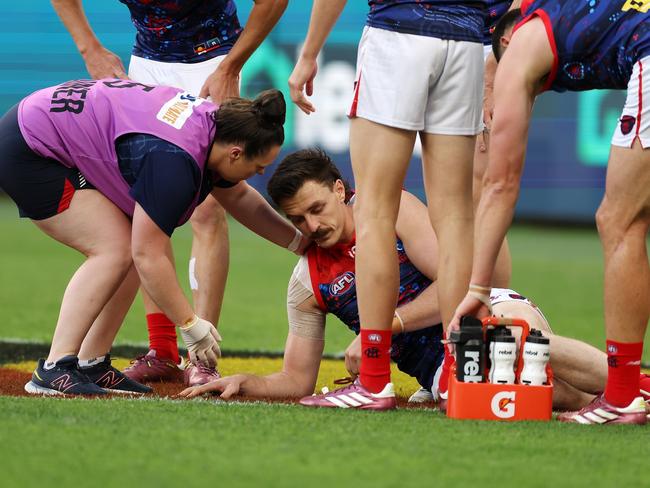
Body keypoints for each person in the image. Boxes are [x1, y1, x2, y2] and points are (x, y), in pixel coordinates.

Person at [178, 149, 650, 412]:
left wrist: (386, 330)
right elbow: (297, 378)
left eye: (318, 209)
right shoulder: (307, 283)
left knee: (512, 339)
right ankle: (610, 402)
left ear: (340, 190)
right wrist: (245, 382)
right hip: (440, 369)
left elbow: (455, 280)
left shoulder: (389, 209)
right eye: (298, 220)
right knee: (542, 395)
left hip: (477, 310)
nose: (312, 227)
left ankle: (634, 386)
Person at [0, 80, 302, 395]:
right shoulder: (174, 161)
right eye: (258, 167)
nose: (260, 174)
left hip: (41, 120)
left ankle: (91, 362)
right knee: (115, 249)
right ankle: (54, 369)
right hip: (29, 148)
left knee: (125, 247)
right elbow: (149, 255)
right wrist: (189, 324)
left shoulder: (220, 128)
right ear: (236, 154)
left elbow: (239, 198)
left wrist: (298, 242)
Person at [52, 0, 289, 385]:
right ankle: (161, 348)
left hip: (212, 59)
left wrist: (231, 65)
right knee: (141, 209)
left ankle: (203, 355)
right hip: (147, 61)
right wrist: (89, 47)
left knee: (208, 208)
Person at [451, 1, 650, 425]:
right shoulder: (554, 17)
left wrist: (479, 288)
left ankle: (621, 396)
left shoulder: (519, 46)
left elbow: (500, 185)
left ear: (503, 39)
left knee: (620, 221)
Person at [287, 0, 485, 409]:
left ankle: (374, 379)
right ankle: (458, 372)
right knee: (455, 215)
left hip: (400, 28)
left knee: (375, 209)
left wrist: (308, 54)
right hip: (468, 37)